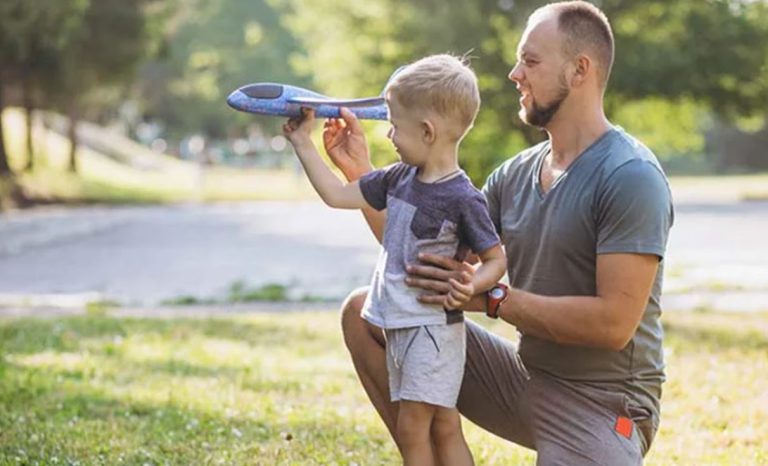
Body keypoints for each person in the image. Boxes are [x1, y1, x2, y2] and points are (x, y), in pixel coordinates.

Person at [321, 1, 674, 465]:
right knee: (365, 314)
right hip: (523, 380)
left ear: (579, 70)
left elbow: (613, 324)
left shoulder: (630, 176)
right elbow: (427, 260)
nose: (514, 74)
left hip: (603, 405)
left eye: (530, 61)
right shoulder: (515, 175)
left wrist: (493, 300)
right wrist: (362, 175)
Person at [283, 54, 507, 466]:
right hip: (399, 325)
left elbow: (496, 258)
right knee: (442, 424)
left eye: (395, 126)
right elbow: (336, 195)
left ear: (427, 131)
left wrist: (472, 285)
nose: (388, 135)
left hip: (432, 331)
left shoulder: (463, 198)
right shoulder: (396, 179)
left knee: (414, 427)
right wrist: (302, 144)